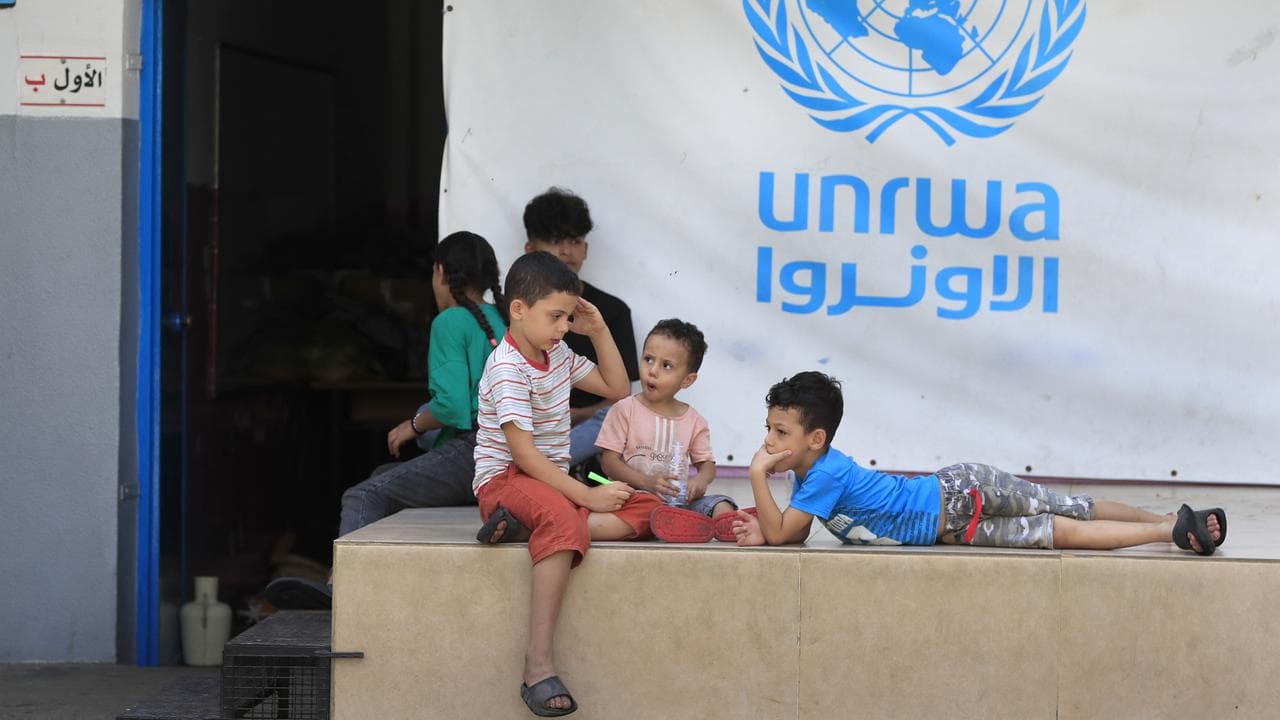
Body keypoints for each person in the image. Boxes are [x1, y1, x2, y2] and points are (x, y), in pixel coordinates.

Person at [264, 231, 506, 610]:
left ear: (440, 273)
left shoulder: (450, 322)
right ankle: (382, 591)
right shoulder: (504, 318)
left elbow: (452, 407)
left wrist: (411, 425)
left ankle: (340, 589)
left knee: (363, 495)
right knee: (382, 480)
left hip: (473, 454)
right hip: (507, 455)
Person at [730, 371, 1227, 556]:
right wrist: (764, 526)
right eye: (769, 429)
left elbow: (779, 535)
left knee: (1072, 509)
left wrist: (755, 475)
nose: (769, 441)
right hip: (957, 530)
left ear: (816, 439)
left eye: (780, 432)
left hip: (961, 491)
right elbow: (790, 534)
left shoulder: (827, 472)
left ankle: (1167, 520)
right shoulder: (808, 474)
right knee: (1063, 533)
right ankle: (1173, 530)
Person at [472, 251, 663, 717]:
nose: (562, 327)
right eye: (555, 316)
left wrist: (598, 330)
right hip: (506, 482)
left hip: (547, 485)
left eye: (567, 318)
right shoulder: (506, 367)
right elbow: (523, 456)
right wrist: (584, 495)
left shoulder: (556, 353)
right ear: (518, 309)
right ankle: (537, 666)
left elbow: (618, 389)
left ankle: (526, 525)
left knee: (646, 507)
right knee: (563, 518)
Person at [522, 188, 640, 469]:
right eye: (554, 240)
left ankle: (542, 469)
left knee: (621, 414)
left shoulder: (611, 311)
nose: (565, 250)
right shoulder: (514, 309)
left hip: (589, 430)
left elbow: (622, 396)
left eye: (575, 241)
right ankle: (552, 468)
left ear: (585, 249)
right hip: (528, 428)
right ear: (530, 249)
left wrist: (578, 415)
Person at [594, 319, 741, 543]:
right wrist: (645, 482)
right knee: (643, 508)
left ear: (687, 380)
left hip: (677, 503)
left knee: (720, 503)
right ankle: (676, 526)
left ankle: (724, 526)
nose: (653, 371)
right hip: (632, 498)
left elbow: (707, 465)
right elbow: (609, 462)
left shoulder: (694, 420)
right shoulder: (624, 410)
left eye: (667, 366)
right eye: (648, 359)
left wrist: (699, 481)